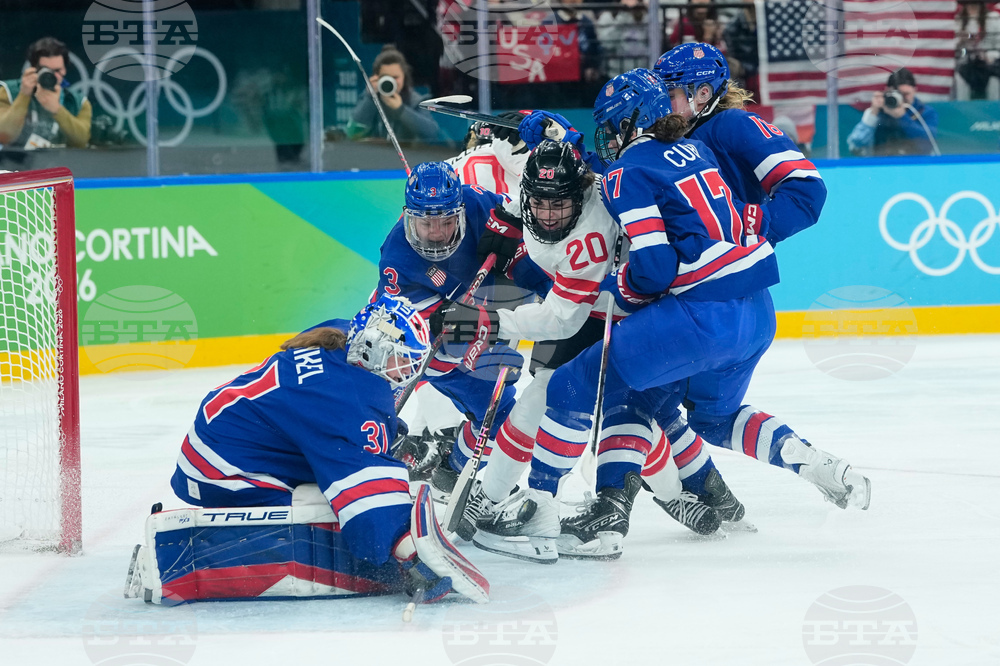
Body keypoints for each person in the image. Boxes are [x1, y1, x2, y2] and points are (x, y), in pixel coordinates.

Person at [432, 141, 718, 562]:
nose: (547, 216)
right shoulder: (553, 196)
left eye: (558, 206)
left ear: (580, 195)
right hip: (586, 304)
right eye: (538, 204)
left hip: (617, 315)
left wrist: (488, 322)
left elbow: (558, 320)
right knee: (535, 404)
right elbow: (529, 205)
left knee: (612, 416)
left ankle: (670, 494)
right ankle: (491, 499)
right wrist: (507, 219)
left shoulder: (587, 238)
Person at [124, 295, 488, 605]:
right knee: (321, 520)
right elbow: (365, 498)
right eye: (400, 359)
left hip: (224, 438)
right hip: (224, 470)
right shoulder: (346, 400)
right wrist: (407, 553)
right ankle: (166, 563)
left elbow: (327, 418)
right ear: (373, 352)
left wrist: (388, 437)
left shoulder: (342, 335)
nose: (406, 370)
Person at [637, 43, 870, 513]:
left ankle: (616, 504)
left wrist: (744, 226)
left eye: (673, 92)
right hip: (736, 302)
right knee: (713, 417)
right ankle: (808, 460)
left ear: (704, 92)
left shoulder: (730, 124)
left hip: (704, 304)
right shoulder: (672, 139)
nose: (663, 102)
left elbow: (807, 189)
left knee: (632, 398)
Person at [375, 161, 551, 499]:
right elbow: (427, 331)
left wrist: (514, 241)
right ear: (410, 217)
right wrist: (460, 327)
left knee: (502, 422)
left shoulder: (478, 203)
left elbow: (523, 224)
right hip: (426, 345)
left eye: (446, 221)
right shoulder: (397, 259)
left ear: (460, 211)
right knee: (376, 407)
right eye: (426, 223)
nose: (437, 232)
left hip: (483, 312)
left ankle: (452, 472)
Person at [0, 37, 91, 149]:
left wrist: (57, 109)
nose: (51, 76)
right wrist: (24, 95)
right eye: (46, 70)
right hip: (15, 163)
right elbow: (3, 134)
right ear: (33, 69)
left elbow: (81, 141)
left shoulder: (78, 102)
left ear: (64, 71)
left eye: (57, 71)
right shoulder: (7, 92)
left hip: (61, 164)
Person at [347, 45, 440, 143]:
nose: (391, 81)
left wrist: (401, 110)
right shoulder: (369, 97)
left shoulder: (415, 101)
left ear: (404, 77)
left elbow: (432, 132)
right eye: (385, 76)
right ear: (377, 77)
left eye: (395, 77)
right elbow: (352, 131)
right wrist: (370, 98)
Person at [846, 68, 939, 156]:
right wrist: (873, 113)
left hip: (915, 165)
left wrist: (902, 117)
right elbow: (855, 146)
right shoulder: (879, 112)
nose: (902, 99)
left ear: (915, 90)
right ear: (887, 90)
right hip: (883, 165)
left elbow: (928, 143)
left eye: (906, 94)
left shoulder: (925, 112)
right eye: (898, 94)